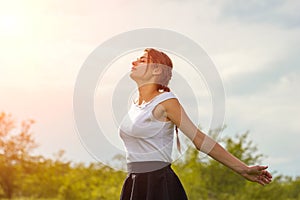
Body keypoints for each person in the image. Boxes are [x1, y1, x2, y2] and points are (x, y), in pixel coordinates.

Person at [119, 48, 272, 200]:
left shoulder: (166, 102)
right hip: (134, 183)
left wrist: (243, 170)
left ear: (157, 70)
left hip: (158, 185)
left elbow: (199, 139)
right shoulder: (136, 105)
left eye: (143, 60)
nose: (134, 62)